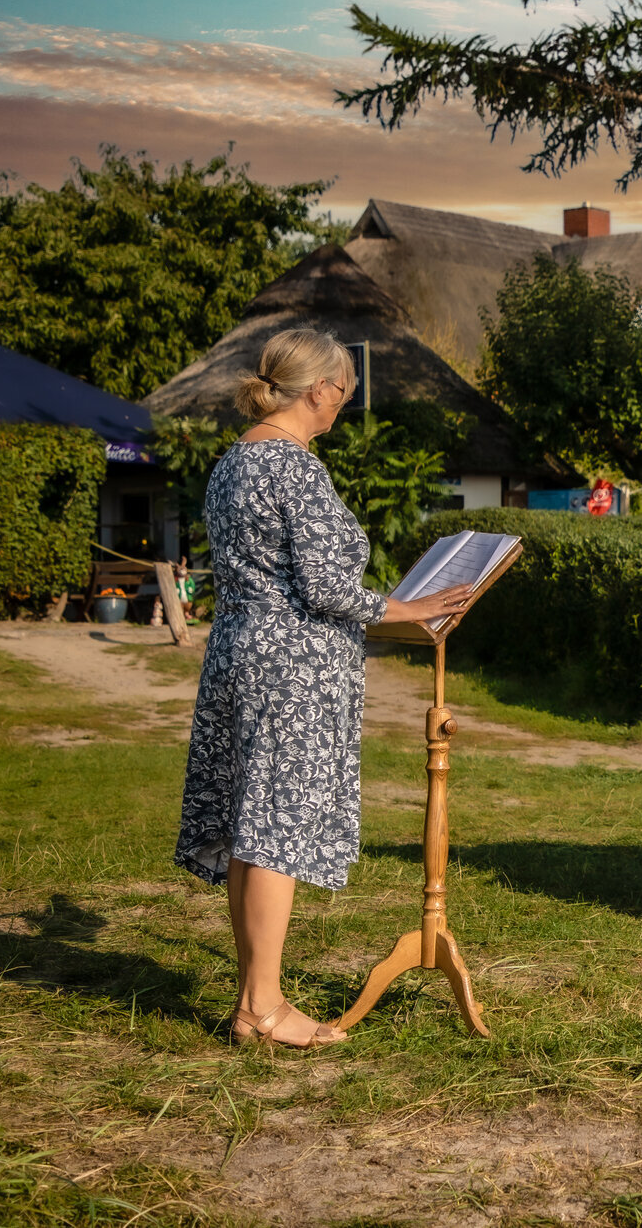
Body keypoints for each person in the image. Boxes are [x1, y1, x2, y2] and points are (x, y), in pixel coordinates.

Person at [172, 329, 472, 1048]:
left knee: (254, 823)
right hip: (292, 668)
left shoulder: (232, 462)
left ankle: (253, 1000)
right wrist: (412, 607)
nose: (345, 406)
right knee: (275, 830)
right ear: (322, 391)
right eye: (345, 394)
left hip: (240, 651)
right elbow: (327, 587)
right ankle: (267, 1009)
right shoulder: (296, 469)